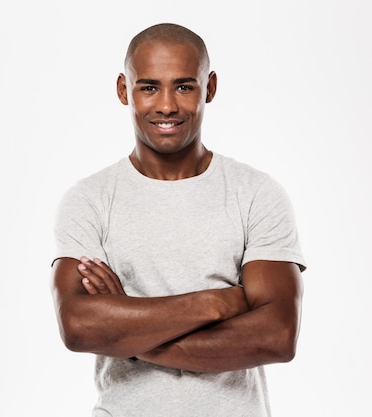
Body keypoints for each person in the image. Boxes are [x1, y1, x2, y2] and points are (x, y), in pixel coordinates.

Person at [50, 22, 306, 417]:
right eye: (149, 87)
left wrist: (127, 327)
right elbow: (78, 327)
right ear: (124, 90)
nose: (167, 105)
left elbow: (277, 336)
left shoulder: (256, 194)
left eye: (184, 86)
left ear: (211, 87)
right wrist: (217, 303)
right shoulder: (90, 200)